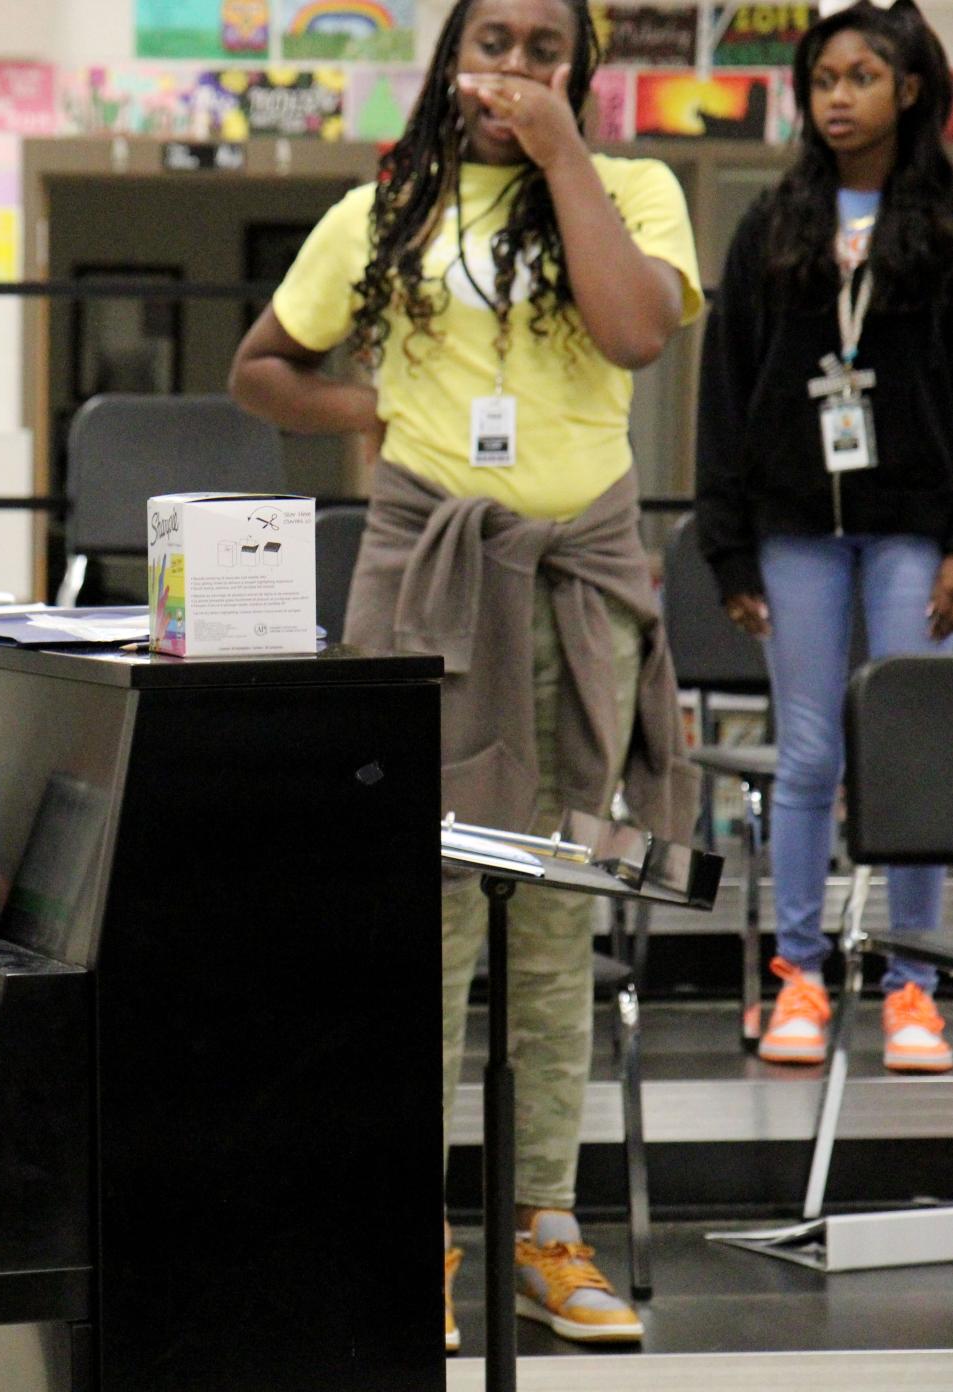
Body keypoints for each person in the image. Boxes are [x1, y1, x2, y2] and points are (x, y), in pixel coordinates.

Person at [229, 0, 701, 1352]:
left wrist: (559, 158)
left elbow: (634, 337)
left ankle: (547, 1226)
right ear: (450, 60)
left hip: (573, 586)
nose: (511, 69)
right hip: (427, 581)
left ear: (581, 71)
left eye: (541, 49)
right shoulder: (388, 207)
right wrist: (378, 410)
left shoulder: (630, 190)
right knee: (421, 916)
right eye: (489, 42)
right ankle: (408, 1227)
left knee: (554, 913)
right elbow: (261, 366)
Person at [696, 0, 953, 1074]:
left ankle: (917, 987)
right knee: (805, 754)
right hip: (795, 525)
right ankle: (798, 976)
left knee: (913, 750)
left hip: (916, 528)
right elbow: (723, 387)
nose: (838, 96)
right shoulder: (773, 224)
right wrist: (728, 547)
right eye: (823, 79)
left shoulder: (944, 223)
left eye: (862, 76)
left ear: (910, 90)